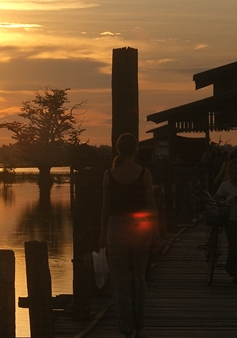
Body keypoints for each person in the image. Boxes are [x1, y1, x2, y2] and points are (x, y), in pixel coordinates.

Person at [99, 133, 160, 338]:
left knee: (121, 280)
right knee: (139, 278)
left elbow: (105, 208)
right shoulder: (144, 174)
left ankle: (126, 328)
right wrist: (156, 233)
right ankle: (140, 327)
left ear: (118, 149)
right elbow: (151, 206)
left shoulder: (109, 174)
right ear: (135, 150)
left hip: (116, 228)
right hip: (140, 228)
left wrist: (102, 234)